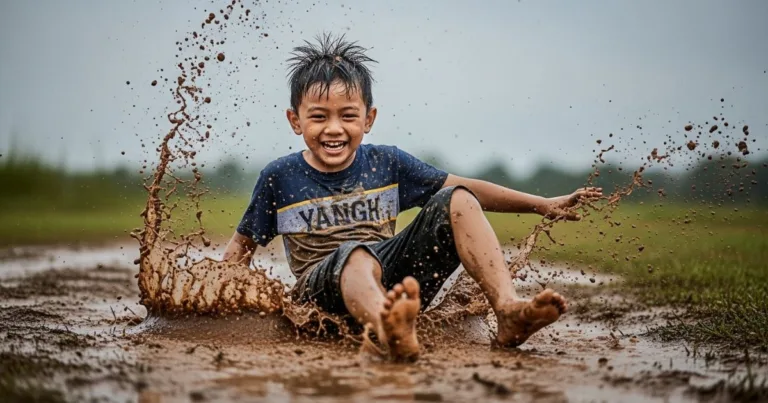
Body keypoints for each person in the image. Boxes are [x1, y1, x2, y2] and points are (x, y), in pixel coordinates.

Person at [223, 34, 602, 361]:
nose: (334, 129)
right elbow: (239, 250)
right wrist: (221, 305)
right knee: (354, 254)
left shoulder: (387, 163)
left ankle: (506, 310)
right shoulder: (280, 176)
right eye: (319, 117)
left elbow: (470, 189)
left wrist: (542, 204)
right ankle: (388, 332)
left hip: (387, 277)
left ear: (368, 119)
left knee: (459, 197)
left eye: (348, 116)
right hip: (319, 293)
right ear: (296, 121)